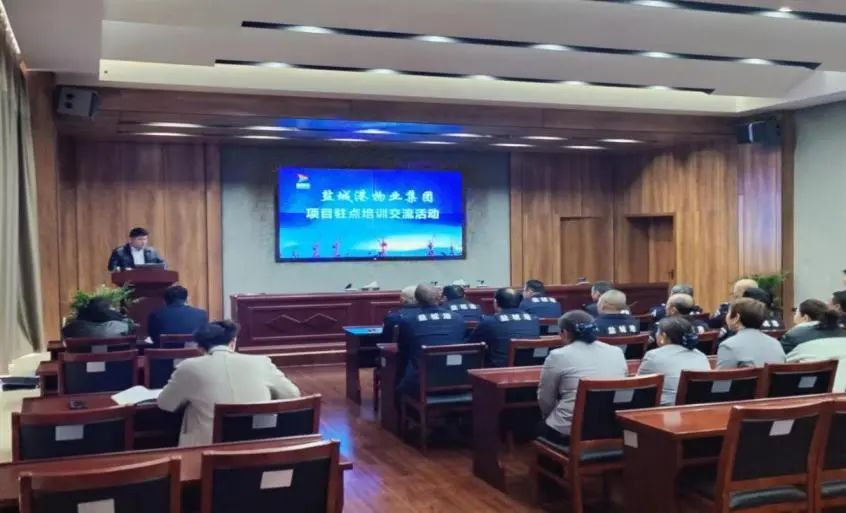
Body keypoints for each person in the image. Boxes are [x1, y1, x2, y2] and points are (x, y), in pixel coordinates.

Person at [157, 321, 300, 446]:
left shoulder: (189, 367)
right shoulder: (261, 362)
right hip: (259, 445)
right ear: (233, 342)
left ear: (200, 348)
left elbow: (166, 403)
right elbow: (292, 394)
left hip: (207, 450)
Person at [537, 311, 628, 445]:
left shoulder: (558, 356)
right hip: (611, 426)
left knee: (537, 426)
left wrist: (549, 416)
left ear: (565, 333)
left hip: (570, 430)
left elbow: (545, 398)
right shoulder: (616, 351)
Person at [396, 284, 466, 395]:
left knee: (399, 383)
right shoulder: (458, 318)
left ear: (417, 300)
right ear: (439, 298)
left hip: (421, 382)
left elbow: (404, 351)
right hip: (457, 378)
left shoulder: (408, 321)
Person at [638, 317, 711, 405]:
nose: (656, 335)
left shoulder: (653, 356)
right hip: (698, 408)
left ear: (664, 336)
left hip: (666, 408)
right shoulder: (701, 355)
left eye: (657, 332)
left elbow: (638, 386)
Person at [469, 287, 540, 367]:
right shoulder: (534, 320)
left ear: (495, 302)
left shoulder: (489, 321)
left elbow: (472, 345)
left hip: (497, 369)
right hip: (529, 366)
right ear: (520, 303)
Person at [716, 298, 786, 369]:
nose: (726, 316)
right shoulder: (776, 344)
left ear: (736, 317)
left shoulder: (728, 346)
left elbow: (722, 376)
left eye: (728, 312)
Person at [780, 299, 846, 354]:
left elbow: (780, 358)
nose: (794, 316)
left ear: (805, 318)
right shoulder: (842, 333)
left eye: (795, 313)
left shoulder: (793, 335)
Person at [61, 297, 134, 338]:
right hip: (118, 361)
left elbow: (64, 334)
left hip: (82, 361)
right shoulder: (123, 327)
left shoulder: (75, 328)